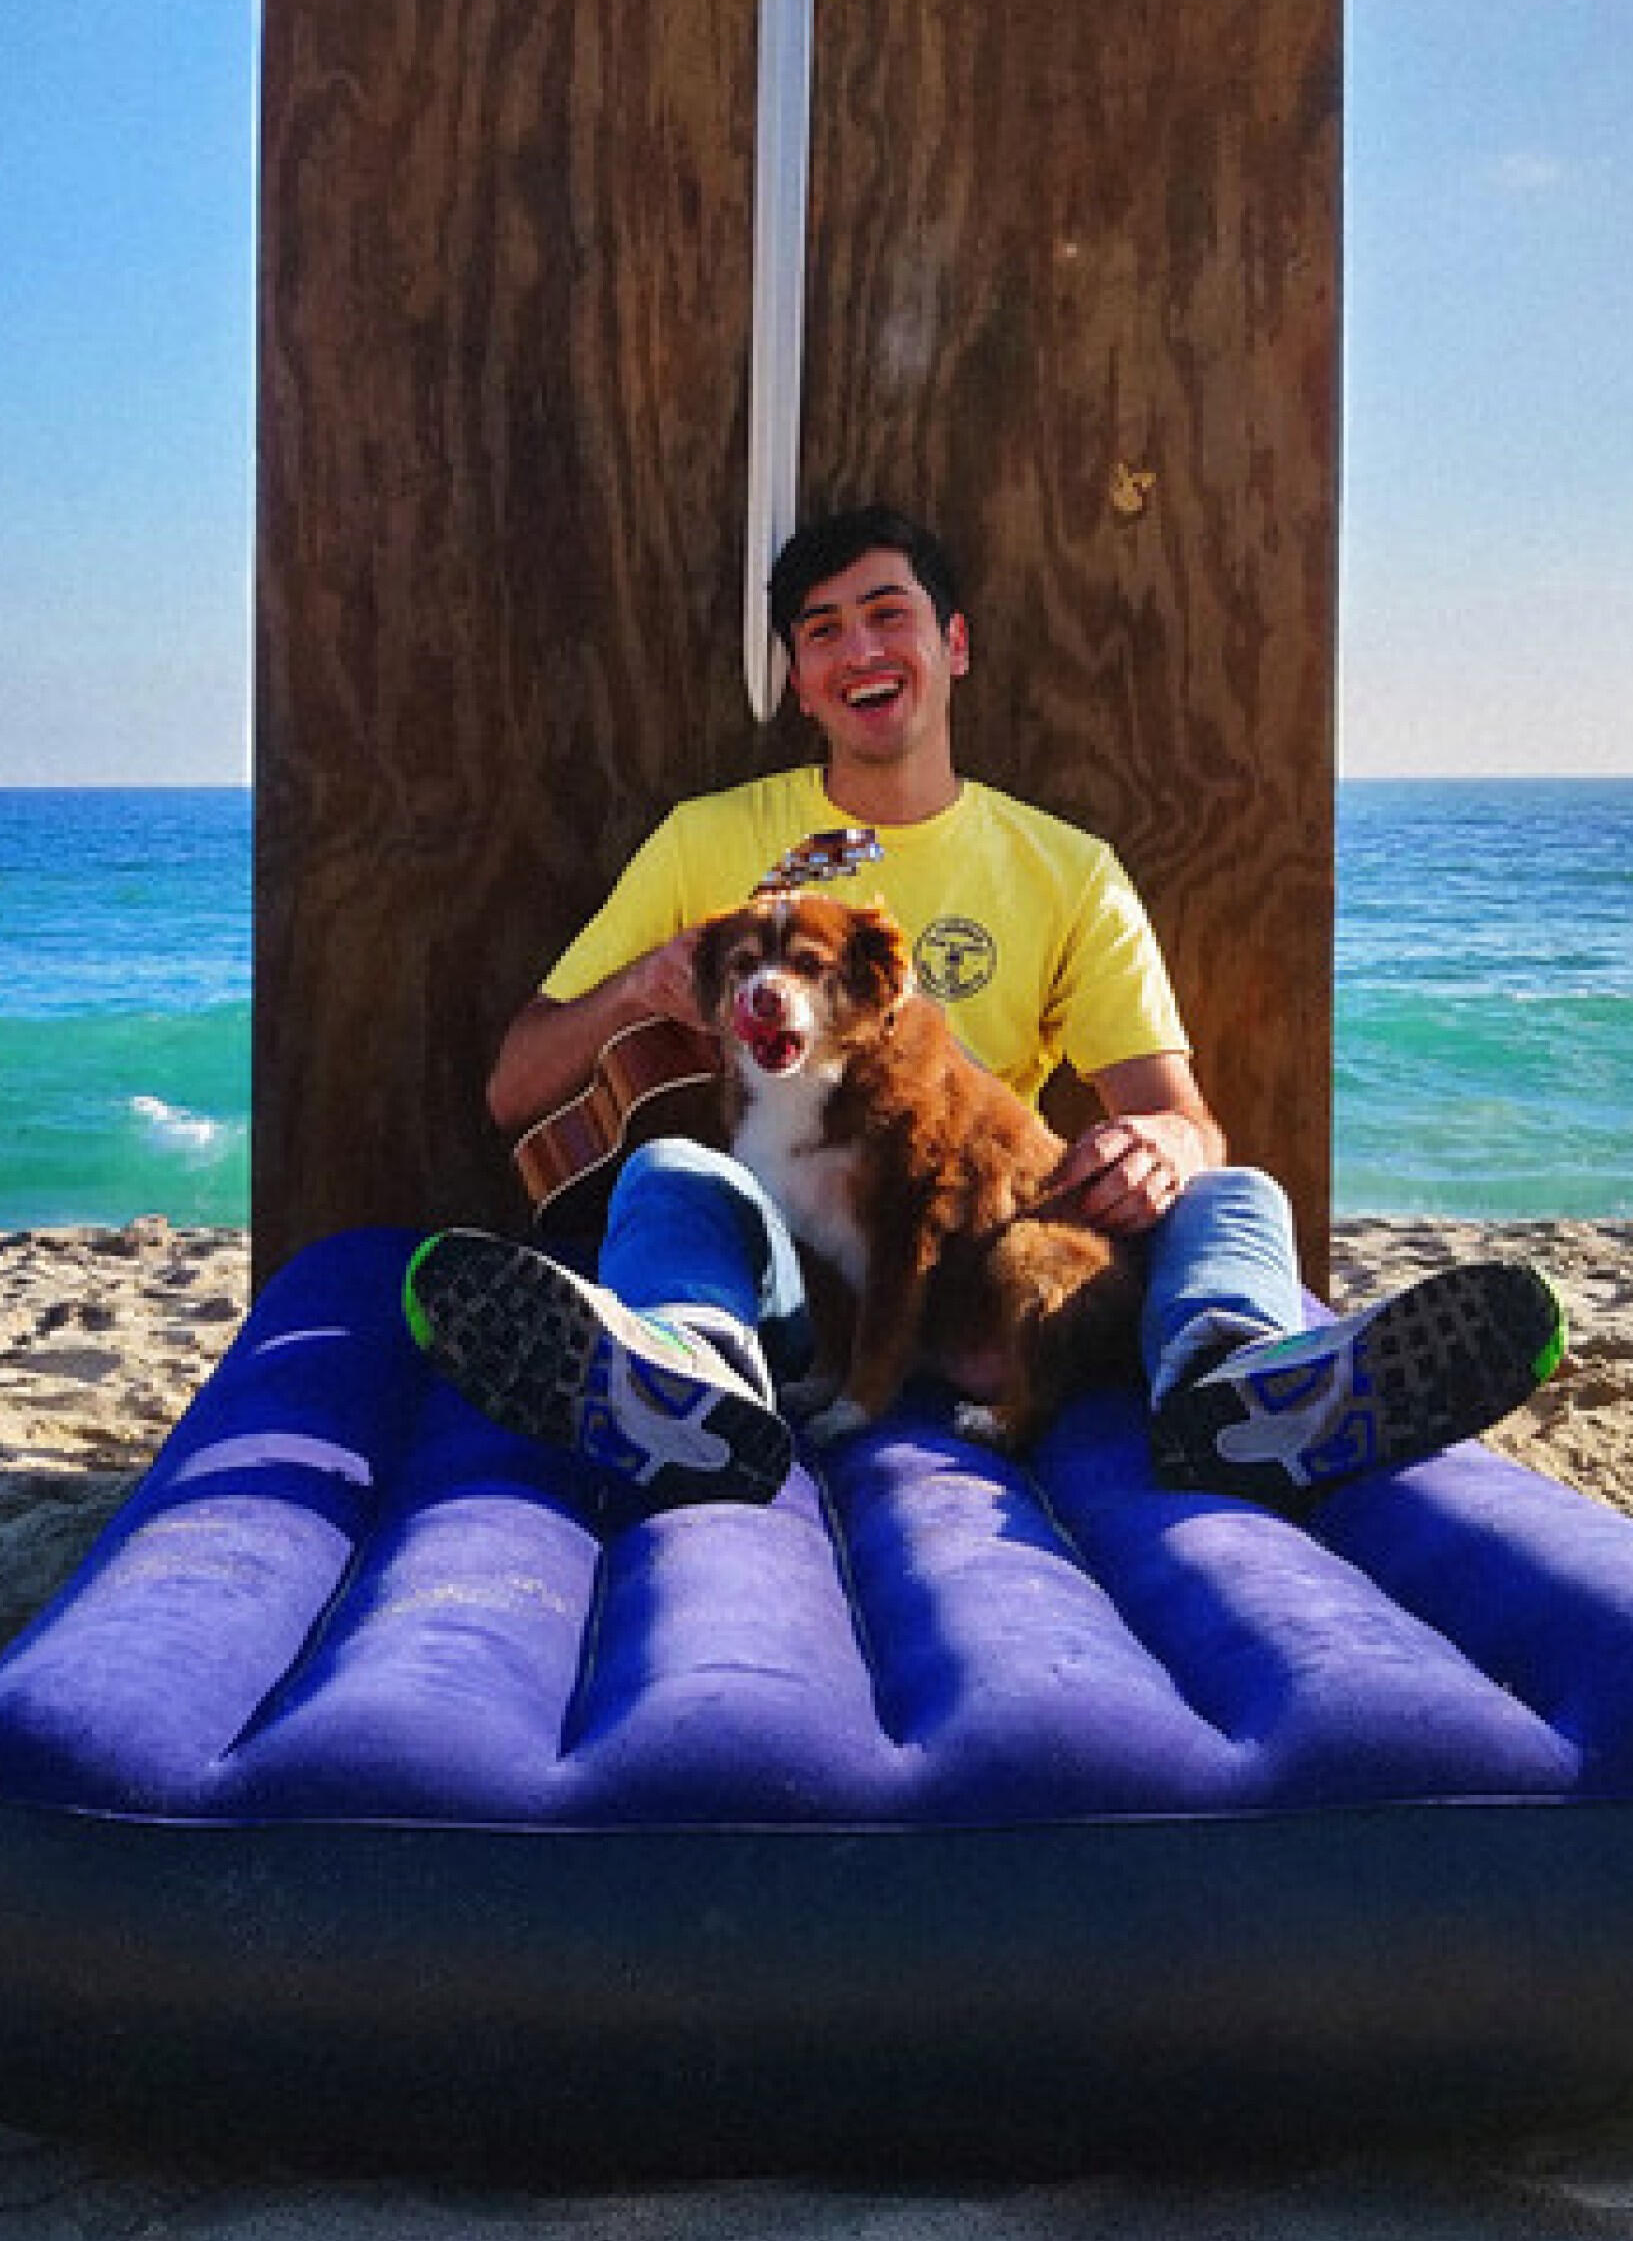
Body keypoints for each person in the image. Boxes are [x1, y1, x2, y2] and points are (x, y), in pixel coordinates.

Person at [403, 504, 1564, 1508]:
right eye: (822, 631)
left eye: (887, 613)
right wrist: (636, 988)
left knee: (1236, 1189)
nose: (860, 649)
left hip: (989, 1277)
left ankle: (1242, 1388)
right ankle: (686, 1384)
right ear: (799, 681)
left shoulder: (1069, 869)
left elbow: (1183, 1117)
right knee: (673, 1177)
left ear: (953, 645)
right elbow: (517, 1088)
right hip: (803, 1288)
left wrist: (1163, 1145)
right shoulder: (706, 843)